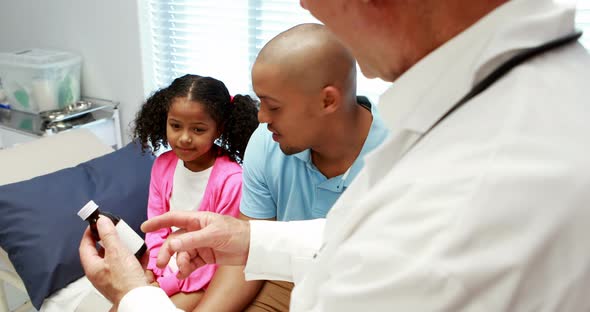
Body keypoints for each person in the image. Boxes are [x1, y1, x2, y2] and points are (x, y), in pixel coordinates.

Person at [80, 0, 590, 311]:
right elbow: (368, 233)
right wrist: (248, 236)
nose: (306, 6)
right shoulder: (524, 99)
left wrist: (132, 294)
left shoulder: (473, 189)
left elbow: (399, 244)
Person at [193, 23, 388, 312]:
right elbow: (249, 249)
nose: (260, 117)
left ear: (328, 100)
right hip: (288, 276)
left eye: (273, 106)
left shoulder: (402, 153)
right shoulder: (268, 142)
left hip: (371, 288)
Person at [131, 74, 259, 311]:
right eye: (175, 126)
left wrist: (166, 285)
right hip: (164, 268)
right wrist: (153, 270)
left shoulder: (232, 181)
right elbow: (157, 227)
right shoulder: (162, 165)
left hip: (202, 280)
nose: (184, 138)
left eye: (198, 130)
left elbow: (220, 256)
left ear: (218, 129)